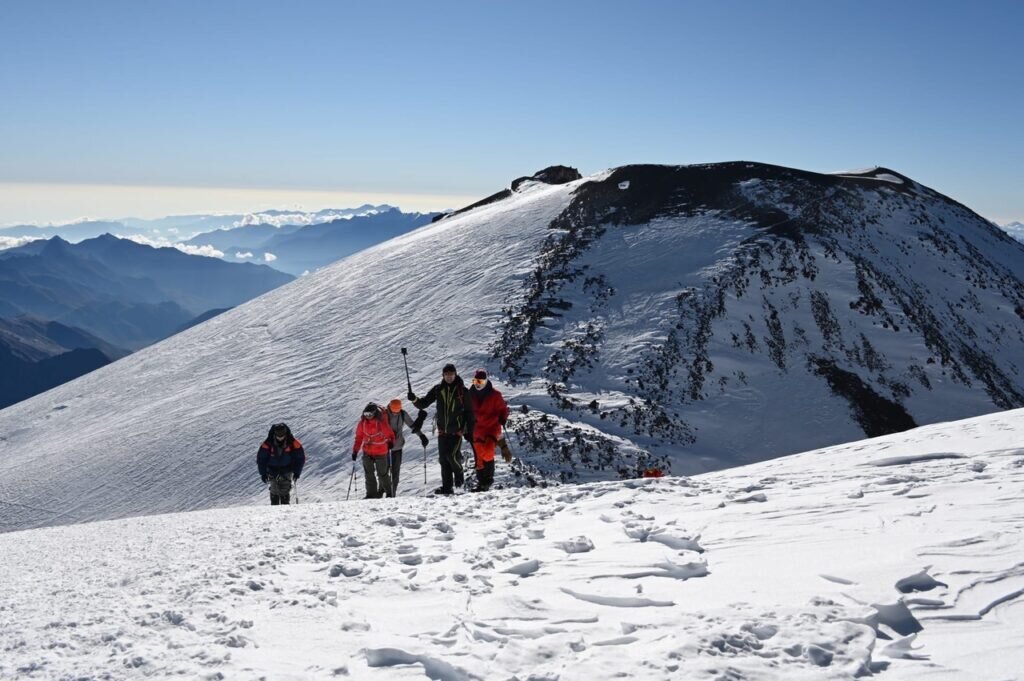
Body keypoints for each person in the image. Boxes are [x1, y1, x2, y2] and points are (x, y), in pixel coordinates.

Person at [409, 363, 474, 495]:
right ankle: (447, 488)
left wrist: (468, 431)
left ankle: (459, 472)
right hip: (443, 431)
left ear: (455, 375)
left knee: (451, 456)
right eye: (446, 374)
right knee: (443, 460)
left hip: (457, 431)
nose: (449, 377)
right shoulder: (438, 390)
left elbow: (469, 412)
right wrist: (414, 399)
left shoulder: (463, 391)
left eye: (451, 374)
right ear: (443, 376)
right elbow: (424, 403)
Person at [467, 369, 509, 492]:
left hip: (491, 427)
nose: (477, 383)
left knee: (488, 451)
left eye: (480, 381)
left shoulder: (495, 395)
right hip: (477, 429)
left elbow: (503, 409)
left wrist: (503, 418)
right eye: (475, 381)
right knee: (479, 458)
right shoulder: (470, 395)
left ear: (486, 381)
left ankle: (489, 479)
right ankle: (482, 484)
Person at [383, 398, 428, 497]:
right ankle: (383, 492)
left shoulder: (403, 414)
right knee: (384, 472)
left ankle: (392, 494)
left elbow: (412, 425)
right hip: (385, 448)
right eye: (393, 410)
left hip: (397, 447)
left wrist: (421, 436)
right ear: (390, 407)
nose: (395, 413)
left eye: (397, 411)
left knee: (395, 473)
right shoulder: (384, 415)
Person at [352, 402, 395, 499]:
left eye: (369, 414)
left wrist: (391, 442)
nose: (368, 416)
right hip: (367, 451)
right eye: (366, 414)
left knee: (382, 474)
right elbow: (359, 438)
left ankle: (389, 493)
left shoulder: (381, 423)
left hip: (381, 451)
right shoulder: (362, 423)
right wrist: (355, 451)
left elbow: (389, 434)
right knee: (369, 474)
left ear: (374, 413)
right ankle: (371, 494)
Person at [257, 422, 306, 505]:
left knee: (285, 491)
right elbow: (261, 459)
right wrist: (263, 474)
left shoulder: (293, 443)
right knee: (274, 492)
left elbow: (300, 458)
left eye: (282, 435)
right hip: (272, 471)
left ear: (285, 433)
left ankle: (285, 511)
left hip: (286, 470)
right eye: (278, 435)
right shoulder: (268, 444)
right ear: (275, 434)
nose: (280, 437)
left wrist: (297, 472)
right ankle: (275, 511)